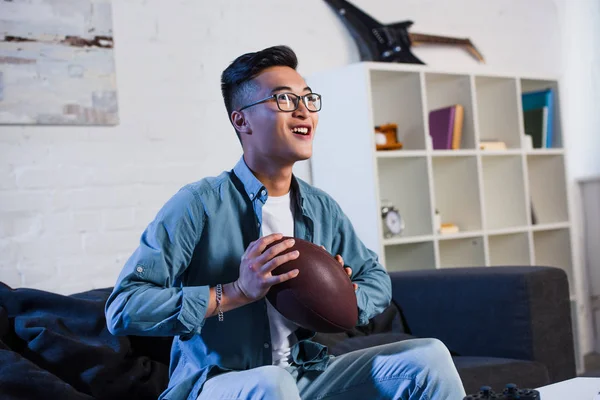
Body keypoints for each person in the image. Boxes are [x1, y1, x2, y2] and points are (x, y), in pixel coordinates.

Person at [105, 45, 466, 400]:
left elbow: (376, 279)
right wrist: (235, 292)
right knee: (272, 385)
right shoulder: (197, 204)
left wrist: (346, 293)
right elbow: (123, 308)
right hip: (216, 384)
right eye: (283, 100)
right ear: (241, 120)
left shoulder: (321, 206)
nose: (303, 111)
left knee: (427, 357)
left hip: (302, 376)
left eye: (308, 99)